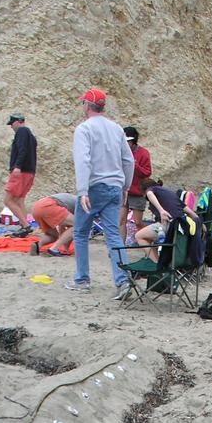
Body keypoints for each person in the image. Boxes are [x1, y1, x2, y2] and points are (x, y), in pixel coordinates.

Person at [66, 87, 134, 300]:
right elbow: (128, 160)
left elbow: (83, 161)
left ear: (87, 105)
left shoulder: (84, 129)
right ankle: (123, 280)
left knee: (80, 233)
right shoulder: (116, 129)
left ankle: (82, 279)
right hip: (115, 187)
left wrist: (83, 190)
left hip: (94, 187)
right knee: (113, 235)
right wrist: (126, 186)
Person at [135, 178, 199, 260]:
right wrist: (200, 222)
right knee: (148, 235)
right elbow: (189, 211)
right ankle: (157, 258)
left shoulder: (151, 189)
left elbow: (149, 194)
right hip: (180, 226)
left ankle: (156, 262)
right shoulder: (170, 193)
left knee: (139, 236)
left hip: (168, 225)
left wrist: (161, 211)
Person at [4, 112, 37, 237]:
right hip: (29, 172)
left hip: (21, 171)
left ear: (17, 122)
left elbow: (22, 150)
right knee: (19, 200)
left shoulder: (21, 132)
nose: (11, 127)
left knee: (8, 200)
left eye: (12, 124)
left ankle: (26, 226)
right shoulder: (30, 135)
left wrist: (17, 166)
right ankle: (25, 225)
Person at [119, 126, 152, 244]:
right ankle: (121, 248)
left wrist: (134, 165)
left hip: (137, 192)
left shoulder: (143, 153)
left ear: (133, 141)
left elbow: (147, 172)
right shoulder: (120, 152)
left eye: (127, 141)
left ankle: (150, 240)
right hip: (124, 191)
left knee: (138, 222)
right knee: (121, 221)